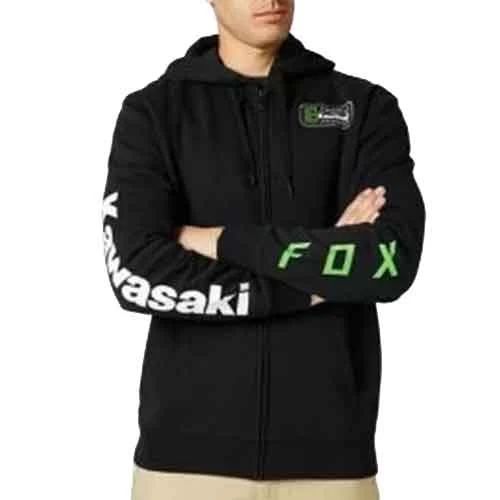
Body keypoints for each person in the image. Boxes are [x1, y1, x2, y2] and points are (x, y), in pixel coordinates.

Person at [101, 0, 426, 498]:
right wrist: (315, 280)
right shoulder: (154, 113)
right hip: (185, 467)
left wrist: (219, 240)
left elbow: (389, 260)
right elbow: (136, 272)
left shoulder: (363, 108)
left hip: (332, 466)